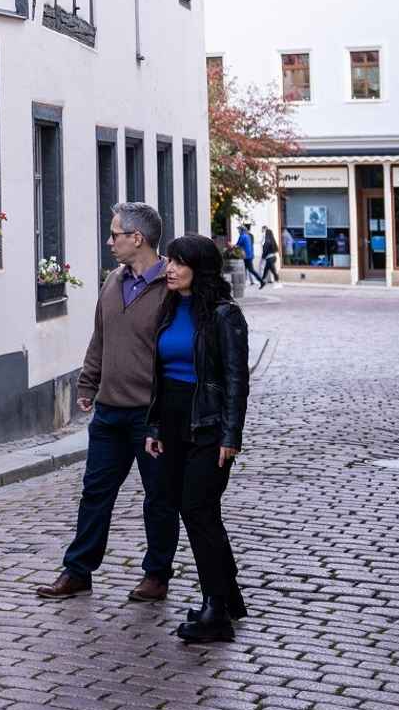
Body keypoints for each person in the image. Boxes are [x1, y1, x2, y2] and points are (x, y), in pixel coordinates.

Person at [36, 202, 178, 602]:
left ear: (138, 238)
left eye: (115, 234)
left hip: (152, 415)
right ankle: (79, 570)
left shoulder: (171, 287)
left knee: (159, 498)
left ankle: (157, 574)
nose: (109, 240)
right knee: (95, 493)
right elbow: (100, 337)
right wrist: (88, 383)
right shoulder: (114, 281)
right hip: (110, 412)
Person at [145, 233, 249, 643]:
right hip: (171, 422)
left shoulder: (224, 315)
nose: (169, 268)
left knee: (199, 509)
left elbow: (237, 380)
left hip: (207, 425)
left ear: (199, 268)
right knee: (190, 510)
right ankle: (227, 596)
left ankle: (215, 613)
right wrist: (154, 426)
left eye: (179, 262)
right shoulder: (170, 308)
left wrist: (230, 434)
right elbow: (159, 375)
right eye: (169, 260)